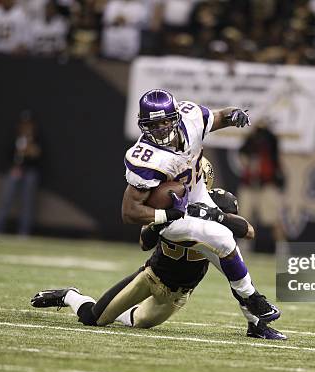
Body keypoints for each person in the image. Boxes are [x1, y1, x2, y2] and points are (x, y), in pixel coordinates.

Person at [31, 179, 286, 340]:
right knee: (93, 319)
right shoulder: (182, 219)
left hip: (176, 297)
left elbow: (241, 278)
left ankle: (116, 308)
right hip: (149, 277)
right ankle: (70, 296)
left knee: (137, 322)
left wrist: (255, 324)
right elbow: (144, 242)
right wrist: (163, 220)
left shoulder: (218, 240)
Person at [120, 89, 280, 323]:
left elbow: (220, 116)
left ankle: (256, 322)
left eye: (165, 121)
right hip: (173, 211)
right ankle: (252, 297)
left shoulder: (191, 118)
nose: (162, 129)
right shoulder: (145, 157)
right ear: (143, 126)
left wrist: (234, 114)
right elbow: (129, 212)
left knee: (231, 245)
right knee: (222, 237)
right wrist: (168, 214)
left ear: (176, 117)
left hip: (197, 193)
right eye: (154, 125)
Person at [0, 110, 42, 236]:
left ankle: (24, 231)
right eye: (24, 124)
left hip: (29, 172)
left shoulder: (37, 139)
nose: (26, 127)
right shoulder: (14, 137)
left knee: (27, 202)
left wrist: (30, 149)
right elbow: (7, 155)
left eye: (28, 124)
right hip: (15, 171)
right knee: (5, 200)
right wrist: (13, 166)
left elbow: (38, 156)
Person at [238, 120, 285, 247]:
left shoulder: (271, 142)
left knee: (273, 218)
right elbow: (243, 155)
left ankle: (282, 248)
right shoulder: (249, 143)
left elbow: (275, 157)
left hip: (267, 184)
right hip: (249, 185)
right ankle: (243, 248)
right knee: (244, 219)